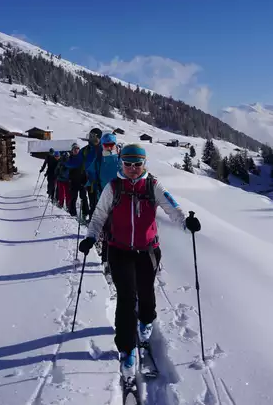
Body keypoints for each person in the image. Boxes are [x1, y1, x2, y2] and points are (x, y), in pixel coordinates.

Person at [78, 143, 201, 378]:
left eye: (137, 164)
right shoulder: (113, 187)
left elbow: (171, 206)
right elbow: (98, 216)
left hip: (148, 250)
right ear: (121, 164)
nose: (133, 169)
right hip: (118, 249)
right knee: (126, 298)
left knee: (146, 292)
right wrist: (90, 237)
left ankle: (146, 322)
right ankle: (126, 348)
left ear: (144, 164)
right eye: (128, 164)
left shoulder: (152, 185)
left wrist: (186, 223)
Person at [86, 132, 122, 269]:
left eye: (110, 145)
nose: (108, 148)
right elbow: (91, 173)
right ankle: (106, 259)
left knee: (119, 229)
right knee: (108, 229)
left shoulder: (121, 157)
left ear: (115, 144)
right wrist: (87, 181)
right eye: (105, 145)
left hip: (122, 198)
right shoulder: (99, 159)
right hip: (104, 197)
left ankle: (117, 258)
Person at [80, 128, 103, 216]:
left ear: (98, 137)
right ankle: (92, 222)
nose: (90, 137)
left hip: (103, 183)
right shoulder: (86, 150)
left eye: (92, 135)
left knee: (102, 206)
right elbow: (81, 164)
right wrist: (82, 176)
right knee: (93, 204)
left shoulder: (104, 149)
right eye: (90, 135)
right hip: (91, 183)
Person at [66, 142, 88, 218]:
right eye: (74, 149)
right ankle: (72, 213)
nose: (76, 150)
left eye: (77, 148)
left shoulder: (82, 157)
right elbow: (67, 167)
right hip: (73, 182)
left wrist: (86, 180)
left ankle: (85, 213)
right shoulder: (69, 158)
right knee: (73, 198)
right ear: (72, 150)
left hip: (82, 181)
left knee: (83, 197)